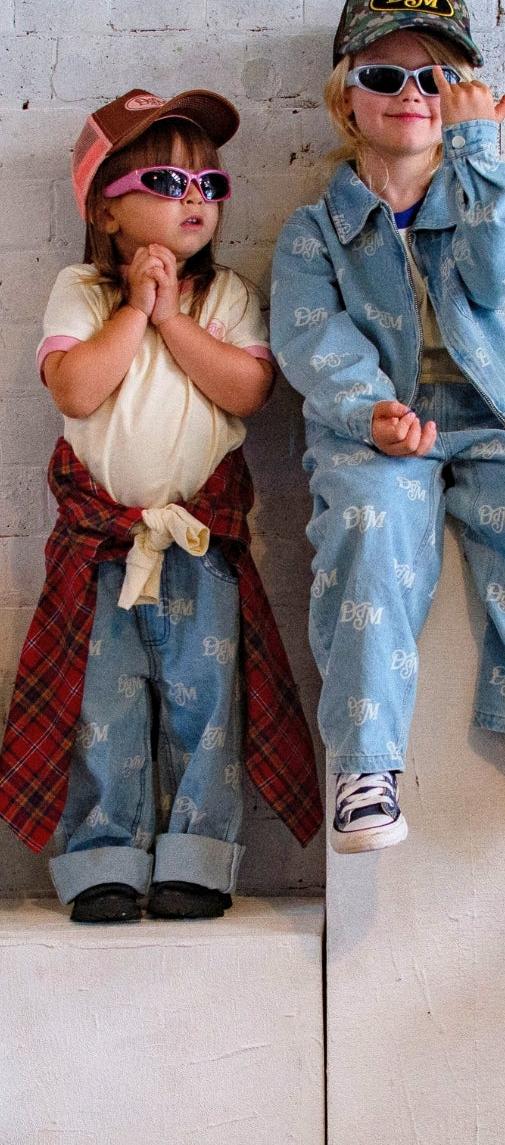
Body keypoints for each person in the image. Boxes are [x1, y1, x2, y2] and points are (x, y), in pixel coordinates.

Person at [271, 0, 505, 852]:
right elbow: (313, 342)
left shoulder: (476, 195)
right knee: (369, 519)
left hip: (488, 410)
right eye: (383, 77)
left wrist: (479, 154)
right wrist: (371, 412)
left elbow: (503, 274)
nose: (409, 95)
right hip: (379, 424)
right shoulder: (315, 231)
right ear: (345, 102)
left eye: (433, 78)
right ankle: (366, 764)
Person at [0, 89, 321, 923]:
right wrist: (136, 311)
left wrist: (175, 317)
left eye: (209, 185)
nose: (193, 199)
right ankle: (102, 856)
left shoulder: (226, 299)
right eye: (166, 180)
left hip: (200, 545)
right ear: (105, 210)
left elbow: (249, 389)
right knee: (103, 705)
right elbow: (74, 388)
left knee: (205, 703)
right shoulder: (83, 292)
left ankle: (197, 857)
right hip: (101, 549)